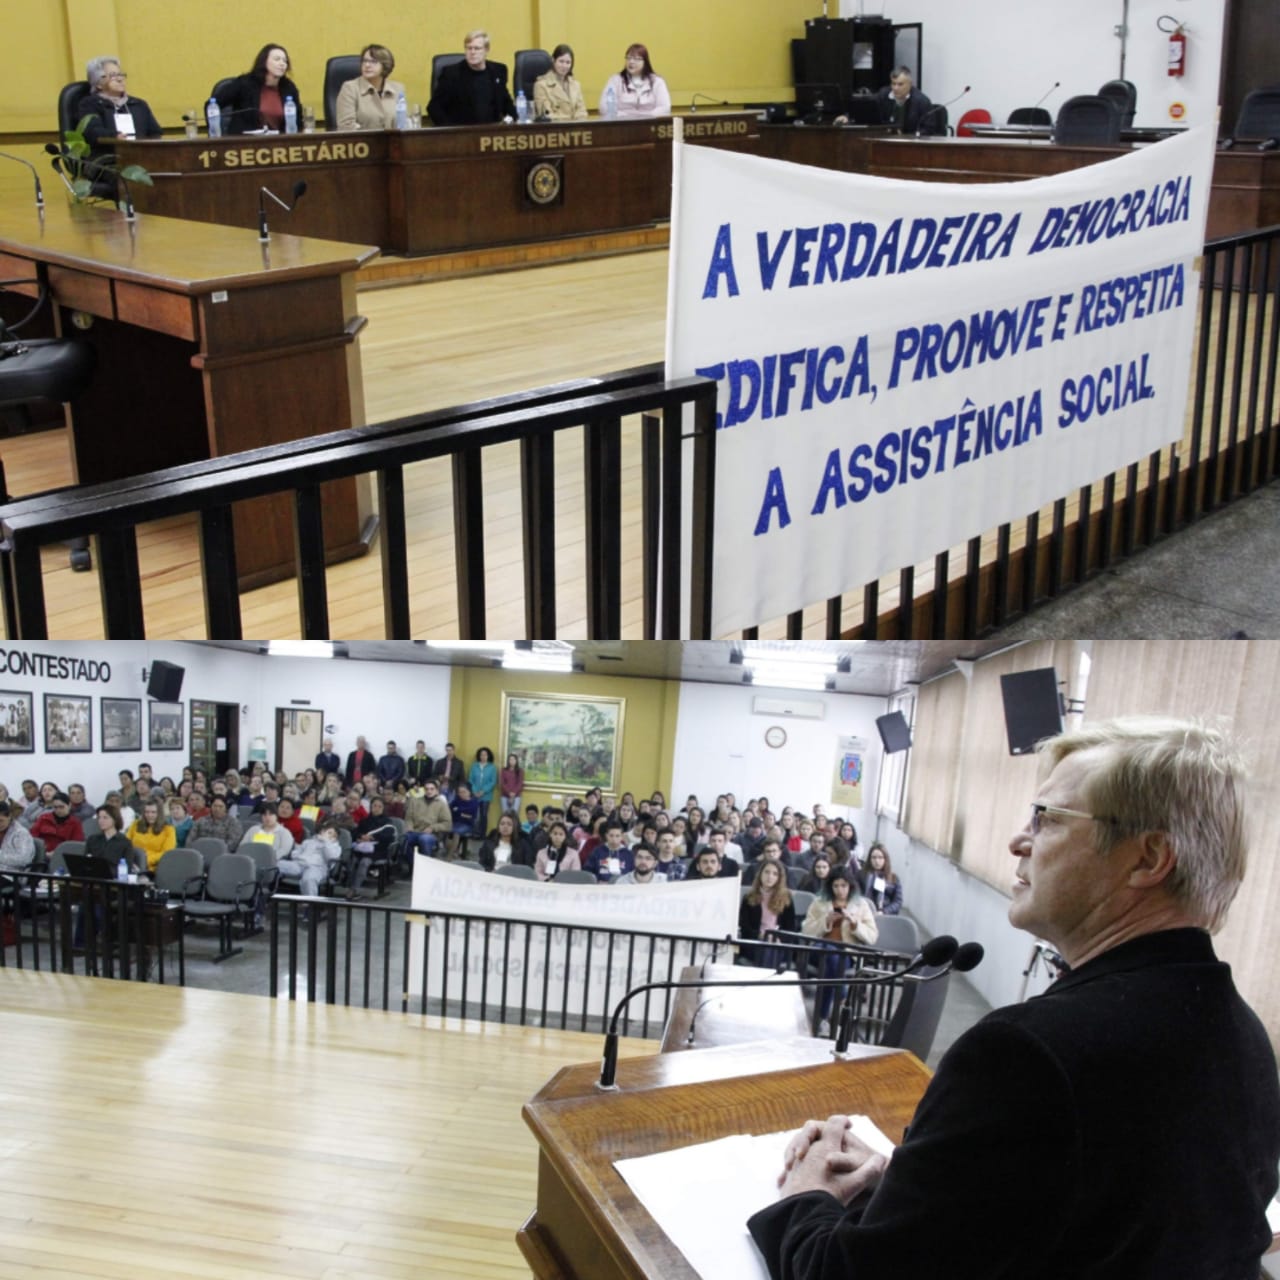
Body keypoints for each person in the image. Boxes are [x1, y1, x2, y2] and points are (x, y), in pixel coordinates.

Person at [752, 717, 1280, 1279]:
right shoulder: (1243, 1036)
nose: (1017, 840)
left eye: (1046, 819)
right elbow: (1103, 1217)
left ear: (1148, 860)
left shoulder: (1023, 1055)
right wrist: (913, 1184)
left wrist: (805, 1194)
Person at [800, 866, 878, 1034]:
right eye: (836, 886)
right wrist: (825, 921)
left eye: (843, 885)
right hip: (819, 949)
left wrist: (855, 924)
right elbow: (806, 930)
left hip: (847, 953)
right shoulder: (820, 902)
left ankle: (821, 1019)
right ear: (830, 886)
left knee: (832, 962)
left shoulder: (860, 904)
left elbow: (872, 936)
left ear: (850, 886)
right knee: (829, 952)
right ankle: (842, 993)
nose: (840, 890)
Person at [428, 30, 515, 126]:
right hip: (462, 132)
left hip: (492, 132)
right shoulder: (452, 74)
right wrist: (451, 131)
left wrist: (507, 122)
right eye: (469, 48)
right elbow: (434, 108)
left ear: (486, 50)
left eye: (477, 48)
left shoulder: (498, 71)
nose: (472, 52)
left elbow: (506, 103)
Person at [215, 43, 303, 135]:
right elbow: (212, 104)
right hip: (244, 144)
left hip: (279, 144)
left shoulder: (289, 88)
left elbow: (298, 120)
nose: (282, 64)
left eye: (285, 61)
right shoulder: (245, 83)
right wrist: (216, 134)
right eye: (277, 59)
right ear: (264, 61)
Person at [77, 56, 162, 150]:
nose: (120, 79)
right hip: (108, 158)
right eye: (113, 76)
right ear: (98, 84)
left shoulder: (139, 104)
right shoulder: (90, 104)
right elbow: (92, 132)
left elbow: (155, 133)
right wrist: (115, 136)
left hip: (141, 155)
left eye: (120, 74)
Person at [739, 859, 797, 967]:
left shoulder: (786, 898)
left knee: (771, 950)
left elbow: (790, 928)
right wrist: (761, 936)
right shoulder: (748, 898)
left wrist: (778, 938)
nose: (770, 876)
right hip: (755, 943)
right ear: (760, 874)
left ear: (779, 878)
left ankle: (762, 982)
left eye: (775, 874)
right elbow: (745, 928)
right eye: (767, 872)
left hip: (779, 944)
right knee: (766, 950)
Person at [335, 44, 405, 131]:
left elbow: (402, 124)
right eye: (364, 61)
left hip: (392, 142)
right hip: (361, 143)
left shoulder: (397, 89)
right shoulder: (350, 88)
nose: (367, 65)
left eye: (373, 61)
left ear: (385, 65)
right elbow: (346, 127)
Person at [599, 43, 671, 119]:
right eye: (628, 58)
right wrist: (625, 116)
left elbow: (665, 107)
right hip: (621, 123)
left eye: (636, 59)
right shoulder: (615, 80)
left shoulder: (657, 81)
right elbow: (605, 106)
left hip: (649, 123)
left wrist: (647, 116)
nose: (631, 62)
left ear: (645, 62)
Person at [533, 44, 587, 121]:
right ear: (553, 60)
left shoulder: (576, 85)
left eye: (568, 62)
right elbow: (546, 116)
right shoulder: (541, 85)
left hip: (577, 129)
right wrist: (571, 120)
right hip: (554, 130)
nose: (564, 66)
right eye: (561, 61)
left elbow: (582, 112)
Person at [127, 799, 176, 872]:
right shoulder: (135, 824)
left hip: (153, 869)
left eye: (153, 812)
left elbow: (166, 853)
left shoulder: (168, 829)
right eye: (147, 812)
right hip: (132, 864)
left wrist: (145, 860)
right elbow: (126, 844)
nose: (150, 815)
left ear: (159, 813)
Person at [860, 842, 903, 914]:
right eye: (874, 857)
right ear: (869, 859)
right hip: (865, 912)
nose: (877, 861)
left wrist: (884, 911)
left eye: (880, 857)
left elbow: (898, 902)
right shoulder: (861, 875)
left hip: (886, 915)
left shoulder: (893, 878)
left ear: (885, 859)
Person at [469, 747, 497, 836]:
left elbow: (493, 781)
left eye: (485, 755)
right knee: (474, 814)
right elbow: (470, 779)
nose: (483, 756)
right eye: (481, 755)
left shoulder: (492, 767)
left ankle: (482, 834)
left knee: (484, 815)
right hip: (474, 794)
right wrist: (474, 791)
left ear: (488, 756)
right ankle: (473, 833)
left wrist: (483, 791)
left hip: (486, 795)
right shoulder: (474, 766)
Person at [0, 800, 36, 870]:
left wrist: (1, 857)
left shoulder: (21, 833)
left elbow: (24, 859)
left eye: (1, 821)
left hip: (11, 874)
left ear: (9, 816)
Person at [499, 753, 524, 817]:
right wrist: (509, 793)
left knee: (514, 815)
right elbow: (502, 783)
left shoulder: (520, 771)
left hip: (516, 796)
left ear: (516, 761)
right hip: (505, 795)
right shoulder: (504, 770)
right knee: (505, 814)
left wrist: (513, 793)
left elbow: (520, 783)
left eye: (513, 759)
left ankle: (514, 827)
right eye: (510, 759)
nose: (512, 761)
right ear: (508, 761)